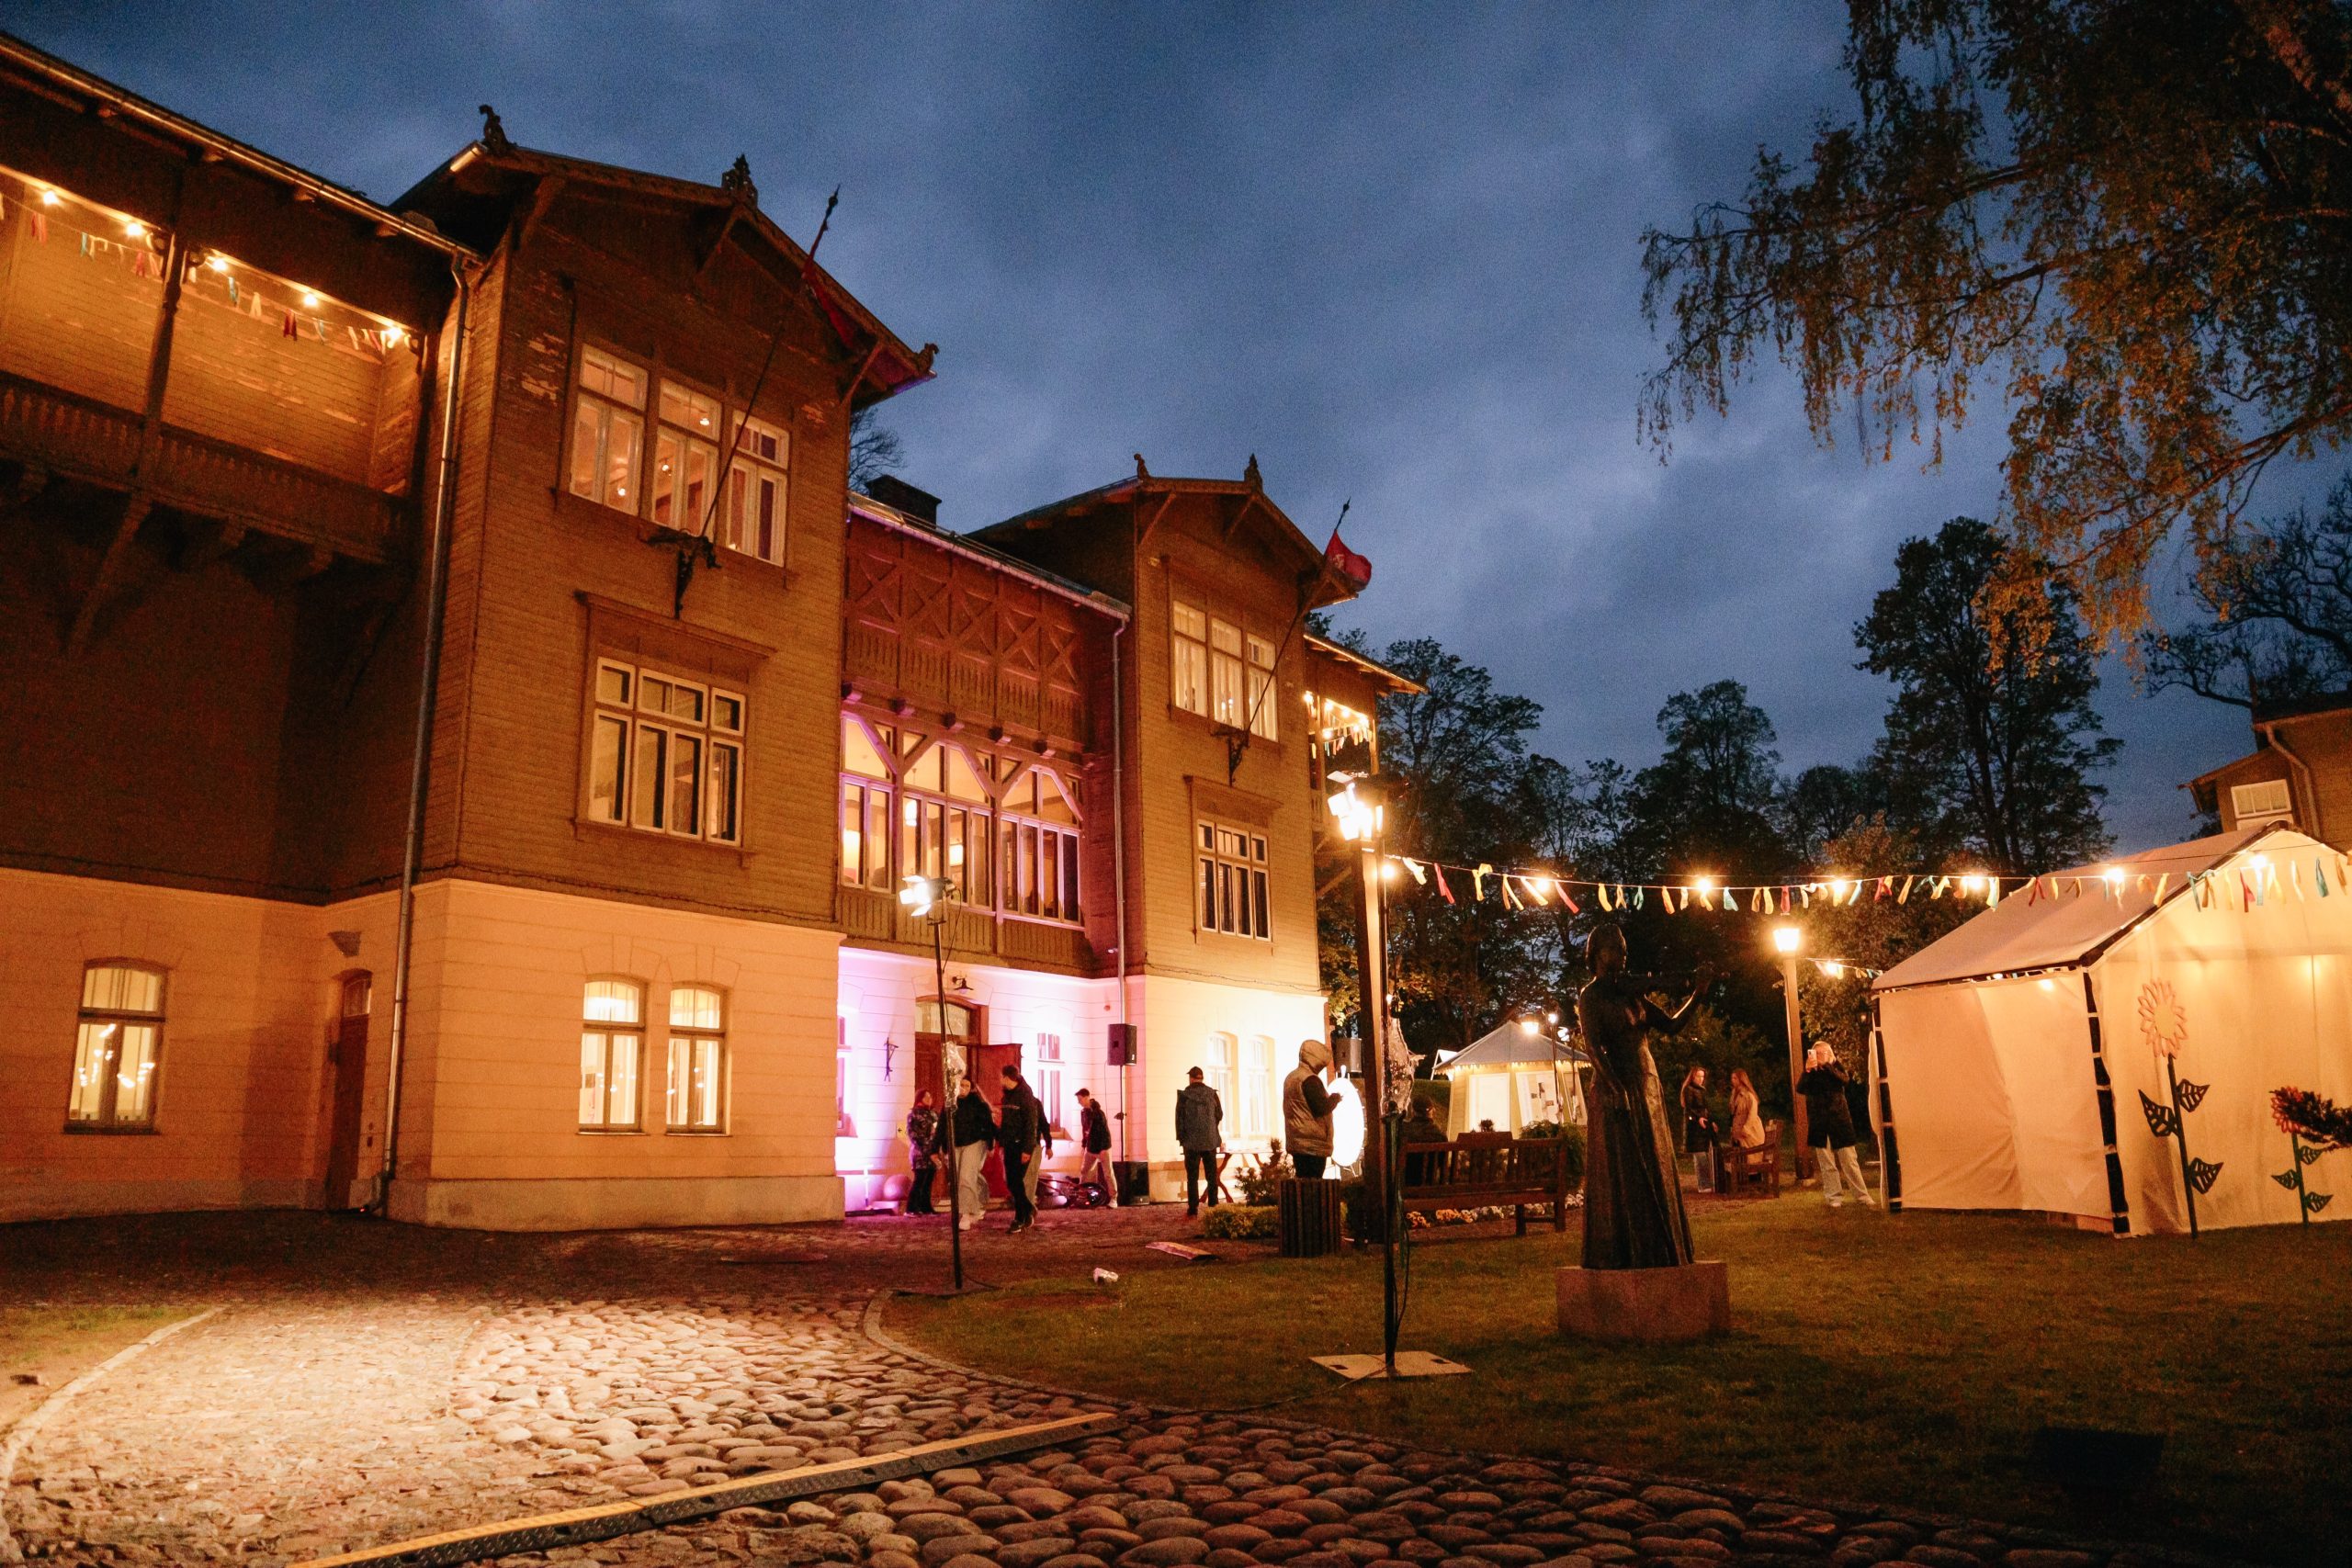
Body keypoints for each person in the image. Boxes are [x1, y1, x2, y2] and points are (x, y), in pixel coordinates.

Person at [1575, 922, 1706, 1269]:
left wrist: (1698, 993)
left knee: (1656, 1164)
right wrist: (1616, 1088)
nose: (1623, 955)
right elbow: (1593, 1047)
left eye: (1624, 950)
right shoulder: (1592, 997)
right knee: (1625, 1172)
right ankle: (1625, 1251)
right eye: (1615, 949)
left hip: (1647, 1086)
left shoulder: (1633, 995)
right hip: (1616, 1091)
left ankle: (1661, 1250)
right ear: (1597, 954)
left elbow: (1672, 1025)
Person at [1798, 1044, 1875, 1206]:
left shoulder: (1836, 1067)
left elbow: (1844, 1080)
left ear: (1829, 1053)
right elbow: (1801, 1088)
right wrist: (1807, 1070)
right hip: (1820, 1123)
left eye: (1822, 1052)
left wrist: (1828, 1065)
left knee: (1849, 1161)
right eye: (1816, 1053)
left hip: (1840, 1121)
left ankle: (1862, 1196)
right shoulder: (1812, 1073)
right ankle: (1834, 1197)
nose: (1819, 1055)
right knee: (1827, 1164)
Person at [944, 1077, 996, 1231]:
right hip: (956, 1144)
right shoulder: (950, 1104)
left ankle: (966, 1214)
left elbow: (988, 1125)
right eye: (961, 1085)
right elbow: (942, 1125)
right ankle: (976, 1205)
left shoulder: (979, 1105)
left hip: (975, 1142)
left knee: (966, 1176)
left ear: (971, 1088)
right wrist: (938, 1147)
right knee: (959, 1177)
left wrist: (991, 1144)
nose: (963, 1088)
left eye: (966, 1085)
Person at [1282, 1040, 1338, 1179]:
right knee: (1314, 1183)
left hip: (1297, 1141)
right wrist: (1334, 1099)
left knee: (1302, 1180)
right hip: (1313, 1144)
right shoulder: (1310, 1080)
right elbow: (1321, 1107)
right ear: (1316, 1061)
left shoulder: (1291, 1077)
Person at [996, 1065, 1043, 1232]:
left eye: (1001, 1076)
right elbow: (1006, 1123)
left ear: (1007, 1078)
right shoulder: (1007, 1096)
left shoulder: (1025, 1096)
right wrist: (1002, 1142)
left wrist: (1027, 1150)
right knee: (1012, 1182)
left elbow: (1031, 1125)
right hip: (1009, 1144)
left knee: (1016, 1182)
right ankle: (1027, 1209)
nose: (999, 1080)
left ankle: (1020, 1218)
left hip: (1020, 1146)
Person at [1174, 1066, 1224, 1215]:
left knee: (1192, 1177)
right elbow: (1219, 1114)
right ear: (1201, 1078)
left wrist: (1181, 1138)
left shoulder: (1184, 1096)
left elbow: (1179, 1119)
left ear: (1191, 1078)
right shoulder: (1212, 1094)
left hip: (1190, 1142)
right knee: (1212, 1175)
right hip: (1210, 1140)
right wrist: (1211, 1128)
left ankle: (1193, 1207)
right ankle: (1213, 1204)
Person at [1679, 1066, 1718, 1192]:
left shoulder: (1702, 1090)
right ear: (1693, 1077)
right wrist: (1698, 1118)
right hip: (1695, 1127)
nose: (1701, 1079)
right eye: (1698, 1076)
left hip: (1703, 1126)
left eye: (1702, 1076)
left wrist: (1711, 1122)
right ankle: (1704, 1185)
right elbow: (1689, 1108)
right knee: (1700, 1155)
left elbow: (1706, 1109)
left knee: (1704, 1155)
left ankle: (1706, 1184)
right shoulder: (1689, 1089)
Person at [1074, 1087, 1114, 1201]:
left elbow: (1104, 1131)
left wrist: (1103, 1149)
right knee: (1084, 1171)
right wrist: (1084, 1145)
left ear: (1087, 1097)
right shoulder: (1083, 1113)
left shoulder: (1098, 1113)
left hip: (1103, 1148)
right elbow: (1085, 1130)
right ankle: (1082, 1196)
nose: (1079, 1102)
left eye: (1080, 1099)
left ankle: (1113, 1198)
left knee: (1108, 1174)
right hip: (1091, 1147)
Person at [904, 1089, 939, 1215]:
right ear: (920, 1099)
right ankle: (911, 1208)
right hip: (920, 1153)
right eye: (926, 1097)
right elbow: (913, 1135)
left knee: (928, 1181)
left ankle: (926, 1207)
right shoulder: (914, 1115)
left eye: (930, 1097)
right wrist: (925, 1148)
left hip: (933, 1153)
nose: (930, 1099)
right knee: (919, 1180)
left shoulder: (933, 1114)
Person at [1727, 1067, 1766, 1150]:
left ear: (1741, 1080)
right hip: (1738, 1134)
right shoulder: (1734, 1095)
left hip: (1750, 1134)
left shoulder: (1749, 1096)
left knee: (1748, 1155)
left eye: (1735, 1078)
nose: (1732, 1080)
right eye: (1732, 1078)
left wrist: (1745, 1130)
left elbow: (1752, 1115)